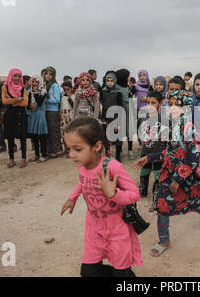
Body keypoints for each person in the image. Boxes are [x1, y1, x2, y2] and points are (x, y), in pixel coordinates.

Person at [133, 89, 200, 257]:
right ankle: (164, 240)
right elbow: (169, 153)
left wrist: (178, 180)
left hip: (187, 180)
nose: (172, 109)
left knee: (196, 204)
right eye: (170, 104)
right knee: (162, 207)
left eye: (177, 105)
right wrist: (150, 157)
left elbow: (192, 160)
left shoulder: (189, 130)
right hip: (168, 176)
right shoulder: (170, 128)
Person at [61, 116, 142, 277]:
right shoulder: (83, 165)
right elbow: (83, 182)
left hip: (117, 231)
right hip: (94, 230)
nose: (71, 155)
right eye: (69, 149)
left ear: (97, 146)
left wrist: (113, 194)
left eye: (77, 149)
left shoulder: (112, 167)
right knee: (88, 272)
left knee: (121, 273)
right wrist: (73, 197)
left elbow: (134, 195)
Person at [138, 91, 166, 212]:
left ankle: (156, 199)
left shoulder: (163, 119)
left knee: (157, 175)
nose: (150, 105)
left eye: (153, 103)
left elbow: (165, 137)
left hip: (157, 152)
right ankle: (142, 191)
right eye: (148, 103)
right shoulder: (143, 117)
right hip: (145, 150)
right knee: (144, 171)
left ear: (160, 104)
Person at [2, 69, 29, 168]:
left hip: (21, 114)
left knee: (22, 136)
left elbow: (25, 103)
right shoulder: (5, 88)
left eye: (19, 76)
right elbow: (4, 101)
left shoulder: (23, 89)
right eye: (15, 76)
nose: (17, 78)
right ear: (11, 76)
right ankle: (11, 159)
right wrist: (17, 99)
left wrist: (11, 101)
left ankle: (23, 159)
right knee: (10, 137)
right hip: (9, 115)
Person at [101, 72, 124, 161]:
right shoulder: (103, 92)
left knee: (117, 137)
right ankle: (107, 155)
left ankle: (118, 157)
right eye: (108, 81)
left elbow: (120, 107)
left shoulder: (118, 93)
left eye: (111, 81)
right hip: (105, 117)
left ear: (115, 82)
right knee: (105, 137)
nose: (110, 82)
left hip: (115, 117)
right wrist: (102, 118)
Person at [27, 76, 48, 163]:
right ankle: (36, 155)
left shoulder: (43, 92)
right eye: (33, 82)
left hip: (40, 115)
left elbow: (39, 102)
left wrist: (35, 92)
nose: (34, 84)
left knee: (42, 136)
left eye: (36, 82)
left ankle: (44, 155)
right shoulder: (29, 92)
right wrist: (30, 106)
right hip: (33, 115)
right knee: (34, 136)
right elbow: (27, 104)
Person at [44, 66, 64, 158]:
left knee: (54, 131)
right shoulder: (44, 84)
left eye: (50, 74)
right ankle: (49, 150)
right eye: (46, 74)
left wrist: (47, 100)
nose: (48, 76)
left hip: (53, 111)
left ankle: (56, 151)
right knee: (47, 131)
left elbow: (57, 99)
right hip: (46, 111)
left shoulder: (54, 85)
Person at [115, 69, 134, 160]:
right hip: (120, 110)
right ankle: (120, 150)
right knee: (120, 130)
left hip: (129, 110)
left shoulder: (127, 86)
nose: (129, 78)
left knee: (129, 130)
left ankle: (130, 150)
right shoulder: (116, 87)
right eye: (128, 76)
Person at [60, 81, 75, 156]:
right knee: (64, 133)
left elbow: (74, 106)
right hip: (63, 117)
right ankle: (65, 149)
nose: (66, 91)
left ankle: (71, 151)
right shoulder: (62, 97)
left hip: (70, 117)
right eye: (64, 89)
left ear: (71, 88)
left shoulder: (74, 96)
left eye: (68, 89)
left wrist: (69, 98)